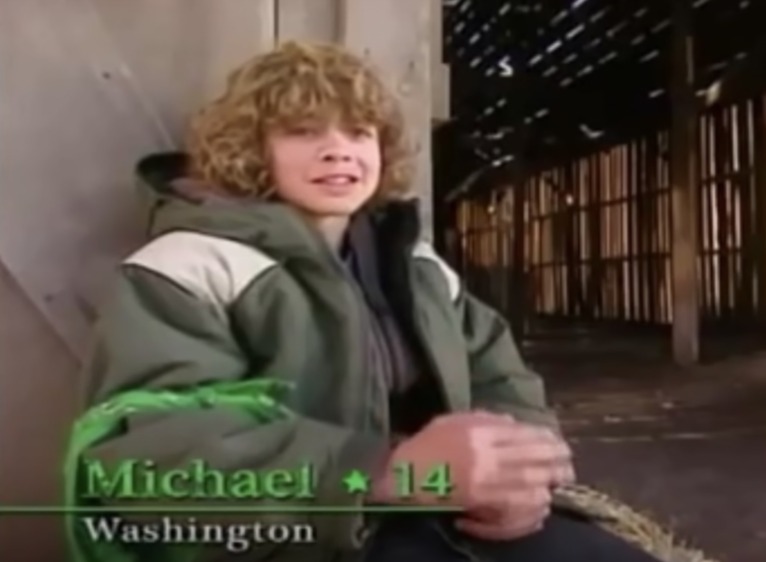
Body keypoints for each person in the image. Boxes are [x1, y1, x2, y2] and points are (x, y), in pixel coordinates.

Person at [75, 41, 665, 562]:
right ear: (250, 150)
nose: (339, 151)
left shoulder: (417, 266)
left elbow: (499, 373)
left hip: (446, 517)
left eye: (358, 132)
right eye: (305, 131)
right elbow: (153, 455)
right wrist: (380, 472)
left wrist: (523, 476)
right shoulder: (187, 267)